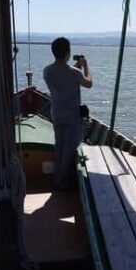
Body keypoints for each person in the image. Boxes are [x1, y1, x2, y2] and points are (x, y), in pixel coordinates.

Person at [43, 37, 92, 190]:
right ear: (67, 53)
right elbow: (88, 83)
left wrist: (76, 67)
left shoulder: (47, 70)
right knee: (70, 149)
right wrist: (85, 66)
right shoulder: (75, 72)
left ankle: (57, 178)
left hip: (57, 114)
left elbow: (64, 73)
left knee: (60, 146)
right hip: (72, 116)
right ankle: (62, 182)